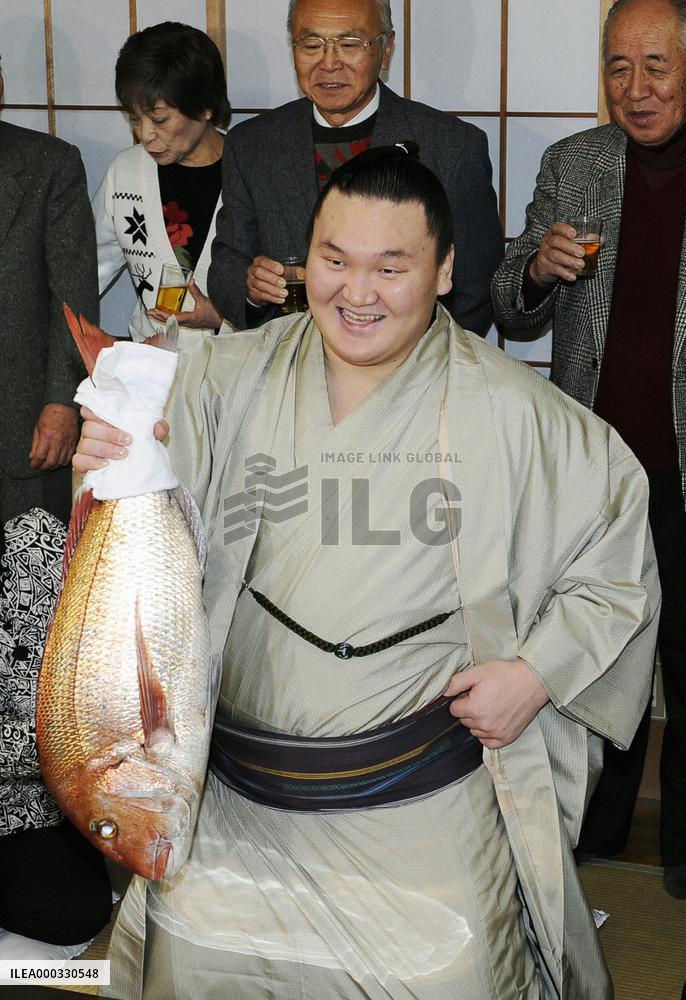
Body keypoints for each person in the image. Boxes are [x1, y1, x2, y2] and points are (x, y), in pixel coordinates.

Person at [76, 146, 658, 1000]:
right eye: (334, 260)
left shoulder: (517, 414)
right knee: (191, 966)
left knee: (456, 973)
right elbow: (136, 488)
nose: (356, 292)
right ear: (303, 257)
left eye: (392, 267)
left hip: (419, 803)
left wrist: (536, 675)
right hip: (237, 796)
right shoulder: (223, 377)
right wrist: (116, 460)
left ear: (446, 268)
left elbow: (618, 567)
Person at [491, 0, 686, 898]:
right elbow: (506, 304)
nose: (635, 89)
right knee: (589, 652)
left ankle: (680, 851)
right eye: (618, 67)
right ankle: (590, 831)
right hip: (594, 470)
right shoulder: (574, 164)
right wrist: (535, 268)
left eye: (657, 65)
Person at [207, 0, 503, 336]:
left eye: (349, 45)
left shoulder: (452, 146)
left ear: (386, 48)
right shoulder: (252, 143)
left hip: (409, 372)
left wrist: (417, 366)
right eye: (311, 45)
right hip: (286, 365)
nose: (329, 63)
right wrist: (252, 291)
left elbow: (476, 286)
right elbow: (227, 263)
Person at [0, 510, 112, 952]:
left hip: (44, 799)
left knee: (78, 910)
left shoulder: (38, 542)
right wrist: (61, 740)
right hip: (52, 767)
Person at [0, 66, 97, 527]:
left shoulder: (48, 163)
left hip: (22, 427)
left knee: (32, 590)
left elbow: (73, 294)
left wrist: (63, 403)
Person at [93, 22, 230, 346]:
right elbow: (85, 272)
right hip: (150, 372)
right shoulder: (125, 172)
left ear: (206, 106)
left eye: (159, 119)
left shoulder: (250, 172)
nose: (146, 135)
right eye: (134, 118)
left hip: (238, 374)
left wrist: (224, 320)